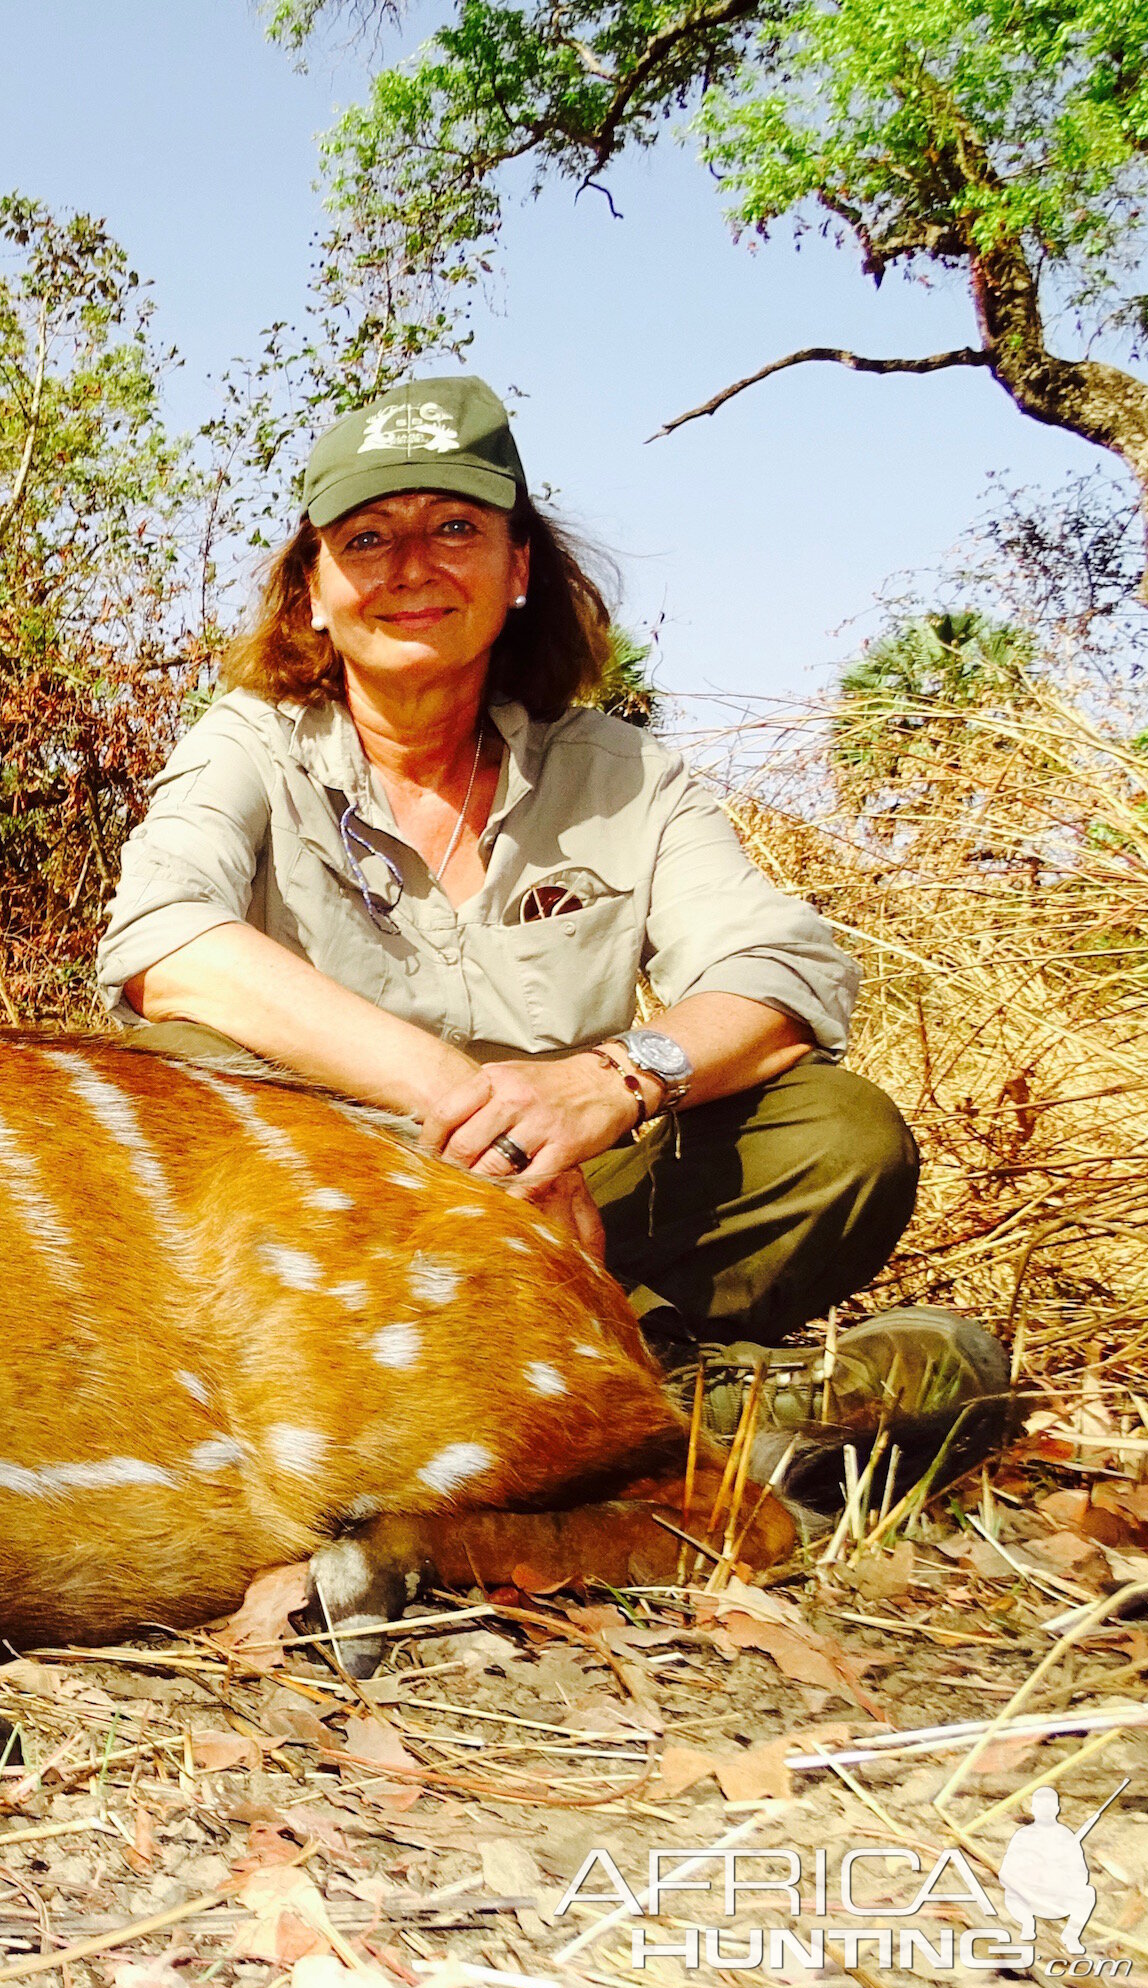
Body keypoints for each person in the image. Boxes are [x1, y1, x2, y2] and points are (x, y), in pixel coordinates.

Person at [94, 375, 1005, 1486]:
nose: (413, 568)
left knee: (841, 1137)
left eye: (457, 529)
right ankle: (635, 1404)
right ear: (314, 594)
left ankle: (549, 1387)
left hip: (574, 1215)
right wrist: (456, 1101)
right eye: (367, 538)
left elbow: (781, 973)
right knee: (180, 1089)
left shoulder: (623, 773)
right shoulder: (252, 743)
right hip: (337, 1230)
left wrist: (610, 1084)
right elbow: (166, 943)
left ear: (519, 571)